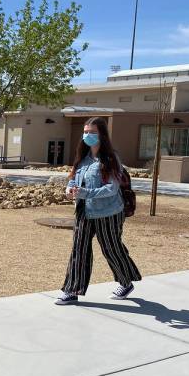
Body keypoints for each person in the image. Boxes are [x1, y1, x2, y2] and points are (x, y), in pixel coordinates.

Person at [55, 116, 142, 305]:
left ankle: (126, 282)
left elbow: (111, 188)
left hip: (109, 213)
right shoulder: (83, 158)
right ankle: (72, 290)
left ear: (102, 134)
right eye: (85, 132)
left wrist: (85, 192)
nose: (87, 135)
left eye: (92, 132)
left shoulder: (111, 158)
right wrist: (69, 189)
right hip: (84, 211)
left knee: (112, 249)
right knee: (79, 249)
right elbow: (73, 179)